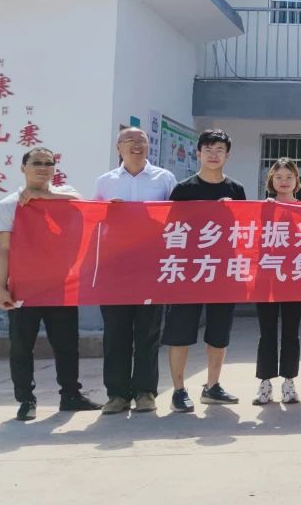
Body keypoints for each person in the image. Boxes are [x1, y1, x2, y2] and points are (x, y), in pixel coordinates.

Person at [0, 147, 102, 421]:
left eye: (48, 163)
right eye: (36, 163)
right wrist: (1, 287)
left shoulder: (64, 195)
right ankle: (26, 399)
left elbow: (81, 202)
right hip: (24, 287)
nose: (43, 168)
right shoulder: (8, 205)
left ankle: (71, 395)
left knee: (67, 345)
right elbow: (4, 250)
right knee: (21, 347)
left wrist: (44, 196)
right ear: (23, 167)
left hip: (60, 286)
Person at [94, 127, 177, 415]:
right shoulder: (105, 181)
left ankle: (145, 392)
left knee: (148, 332)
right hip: (115, 266)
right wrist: (109, 212)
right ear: (118, 147)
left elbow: (176, 218)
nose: (136, 146)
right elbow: (94, 220)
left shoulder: (164, 178)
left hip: (151, 265)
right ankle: (117, 394)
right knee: (115, 332)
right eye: (129, 141)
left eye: (142, 141)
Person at [162, 128, 246, 413]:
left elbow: (243, 229)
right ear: (198, 153)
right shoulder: (183, 189)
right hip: (188, 270)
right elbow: (171, 230)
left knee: (219, 332)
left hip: (222, 269)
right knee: (180, 331)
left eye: (219, 150)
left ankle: (212, 386)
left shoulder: (236, 189)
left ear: (227, 155)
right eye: (208, 149)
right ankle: (178, 390)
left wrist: (231, 212)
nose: (213, 155)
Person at [253, 158, 301, 406]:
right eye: (278, 177)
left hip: (295, 278)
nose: (284, 181)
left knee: (291, 332)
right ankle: (264, 383)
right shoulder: (262, 208)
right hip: (266, 278)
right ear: (271, 181)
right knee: (267, 332)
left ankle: (289, 382)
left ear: (297, 181)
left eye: (289, 177)